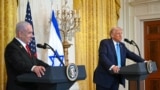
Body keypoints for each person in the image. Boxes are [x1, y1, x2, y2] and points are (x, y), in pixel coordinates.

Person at [4, 21, 49, 90]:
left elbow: (35, 61)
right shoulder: (12, 47)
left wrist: (50, 68)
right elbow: (19, 64)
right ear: (20, 33)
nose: (32, 36)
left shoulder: (26, 47)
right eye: (29, 33)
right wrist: (33, 68)